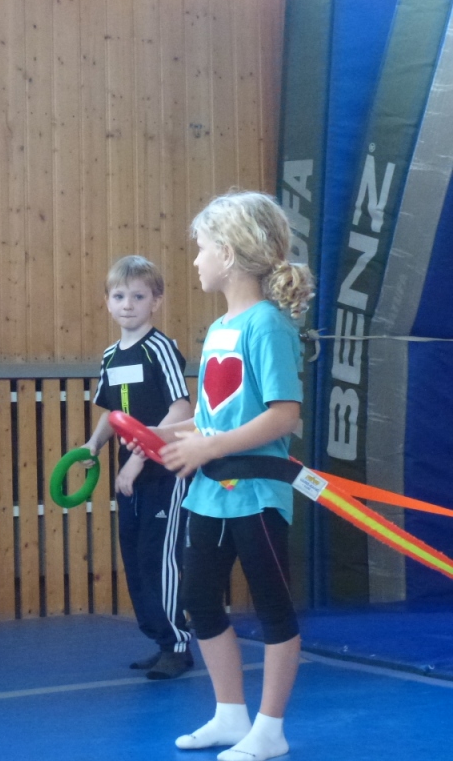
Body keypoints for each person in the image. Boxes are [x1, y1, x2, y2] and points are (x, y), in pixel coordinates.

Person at [147, 191, 314, 761]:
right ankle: (229, 714)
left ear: (229, 252)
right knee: (199, 600)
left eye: (201, 248)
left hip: (257, 492)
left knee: (272, 607)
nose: (195, 260)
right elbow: (213, 415)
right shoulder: (220, 326)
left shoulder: (267, 325)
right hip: (210, 495)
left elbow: (283, 414)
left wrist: (210, 445)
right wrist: (164, 436)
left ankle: (270, 729)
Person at [83, 256, 194, 679]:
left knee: (158, 554)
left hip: (164, 469)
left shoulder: (159, 349)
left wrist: (136, 460)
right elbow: (113, 413)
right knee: (134, 553)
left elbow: (180, 409)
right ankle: (161, 639)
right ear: (107, 302)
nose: (127, 304)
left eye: (138, 296)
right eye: (119, 296)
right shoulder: (111, 356)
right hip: (130, 475)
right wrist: (93, 445)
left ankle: (177, 644)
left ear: (156, 302)